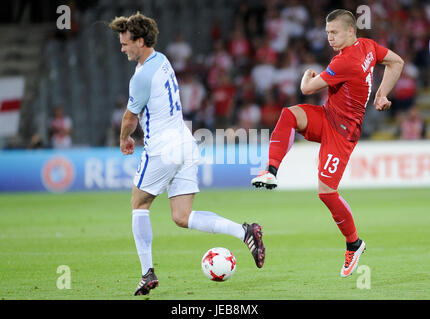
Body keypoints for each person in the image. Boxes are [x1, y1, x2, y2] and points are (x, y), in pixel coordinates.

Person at [109, 12, 265, 296]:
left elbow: (130, 117)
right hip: (185, 142)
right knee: (182, 216)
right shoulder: (163, 60)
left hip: (162, 149)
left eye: (125, 43)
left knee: (138, 204)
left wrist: (124, 139)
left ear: (140, 41)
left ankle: (147, 273)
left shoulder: (142, 76)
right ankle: (244, 232)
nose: (122, 48)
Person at [251, 9, 404, 278]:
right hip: (328, 116)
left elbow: (307, 89)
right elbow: (396, 62)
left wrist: (305, 77)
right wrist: (381, 95)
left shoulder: (346, 61)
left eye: (334, 33)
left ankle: (354, 244)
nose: (330, 38)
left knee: (326, 193)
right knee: (289, 115)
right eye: (327, 33)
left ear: (349, 31)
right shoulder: (367, 46)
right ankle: (271, 171)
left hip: (343, 133)